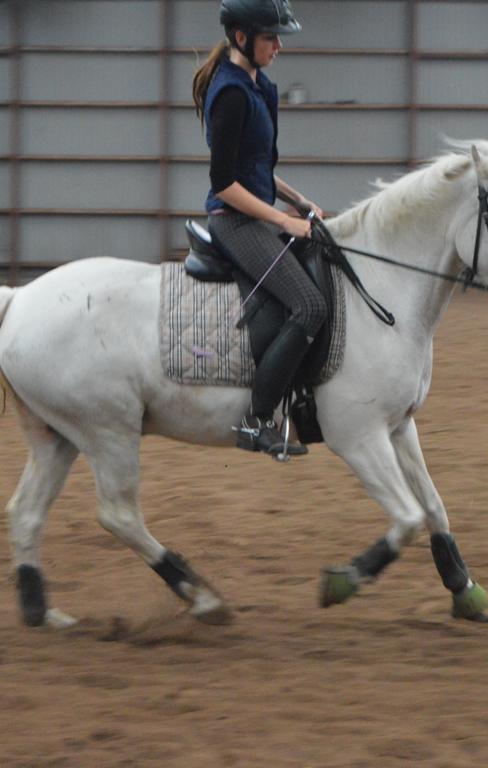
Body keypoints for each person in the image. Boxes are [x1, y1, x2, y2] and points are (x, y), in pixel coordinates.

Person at [192, 0, 326, 458]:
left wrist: (298, 201)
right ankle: (255, 421)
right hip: (235, 221)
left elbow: (258, 170)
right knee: (309, 306)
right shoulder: (229, 93)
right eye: (271, 37)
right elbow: (225, 184)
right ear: (242, 38)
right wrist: (283, 219)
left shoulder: (260, 86)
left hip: (260, 212)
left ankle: (302, 396)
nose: (279, 46)